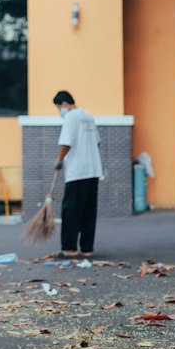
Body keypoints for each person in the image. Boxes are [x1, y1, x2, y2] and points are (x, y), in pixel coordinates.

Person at [52, 89, 103, 258]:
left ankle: (69, 248)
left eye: (58, 107)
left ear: (64, 104)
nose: (60, 111)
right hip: (94, 169)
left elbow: (67, 143)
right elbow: (97, 142)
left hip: (77, 171)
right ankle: (87, 248)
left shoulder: (70, 117)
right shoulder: (89, 116)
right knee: (89, 211)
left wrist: (59, 160)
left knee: (71, 211)